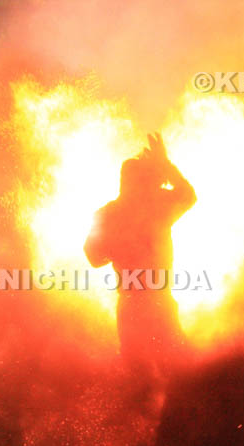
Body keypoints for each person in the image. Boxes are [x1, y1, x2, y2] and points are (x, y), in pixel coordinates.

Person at [84, 133, 196, 377]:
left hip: (141, 305)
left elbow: (93, 257)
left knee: (158, 375)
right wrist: (166, 165)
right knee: (169, 372)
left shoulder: (117, 213)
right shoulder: (152, 208)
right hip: (148, 303)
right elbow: (187, 196)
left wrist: (115, 248)